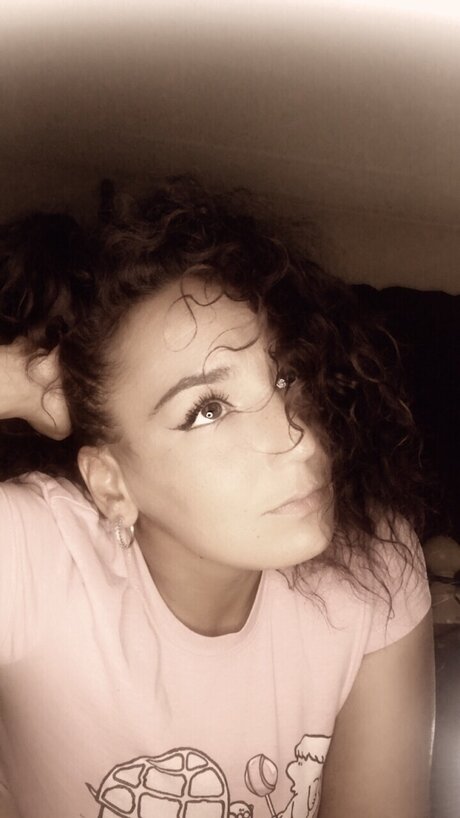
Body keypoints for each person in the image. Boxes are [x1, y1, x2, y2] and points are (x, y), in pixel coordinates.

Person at [0, 176, 435, 818]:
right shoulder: (32, 555)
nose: (294, 434)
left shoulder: (374, 566)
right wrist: (16, 377)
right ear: (111, 484)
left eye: (285, 375)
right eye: (207, 409)